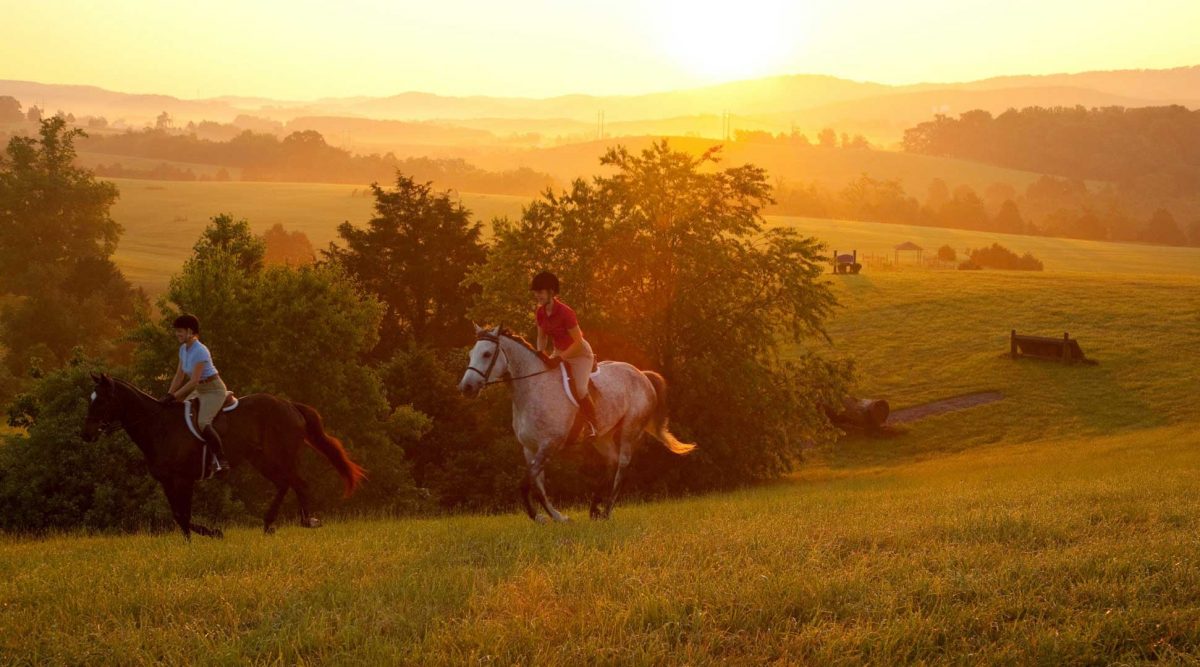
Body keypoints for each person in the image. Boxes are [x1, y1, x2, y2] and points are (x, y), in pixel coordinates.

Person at [531, 271, 598, 439]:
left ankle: (592, 424)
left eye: (540, 292)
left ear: (551, 293)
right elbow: (541, 337)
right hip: (559, 351)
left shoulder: (566, 313)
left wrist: (559, 358)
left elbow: (578, 342)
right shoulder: (540, 312)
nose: (537, 295)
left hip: (579, 354)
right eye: (536, 292)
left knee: (581, 390)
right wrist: (540, 354)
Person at [161, 314, 230, 474]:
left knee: (202, 422)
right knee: (181, 414)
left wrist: (174, 396)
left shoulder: (200, 351)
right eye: (176, 331)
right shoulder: (183, 349)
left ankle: (221, 460)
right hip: (200, 389)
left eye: (180, 331)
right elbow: (179, 376)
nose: (177, 334)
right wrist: (169, 395)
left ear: (190, 331)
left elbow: (193, 381)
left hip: (213, 390)